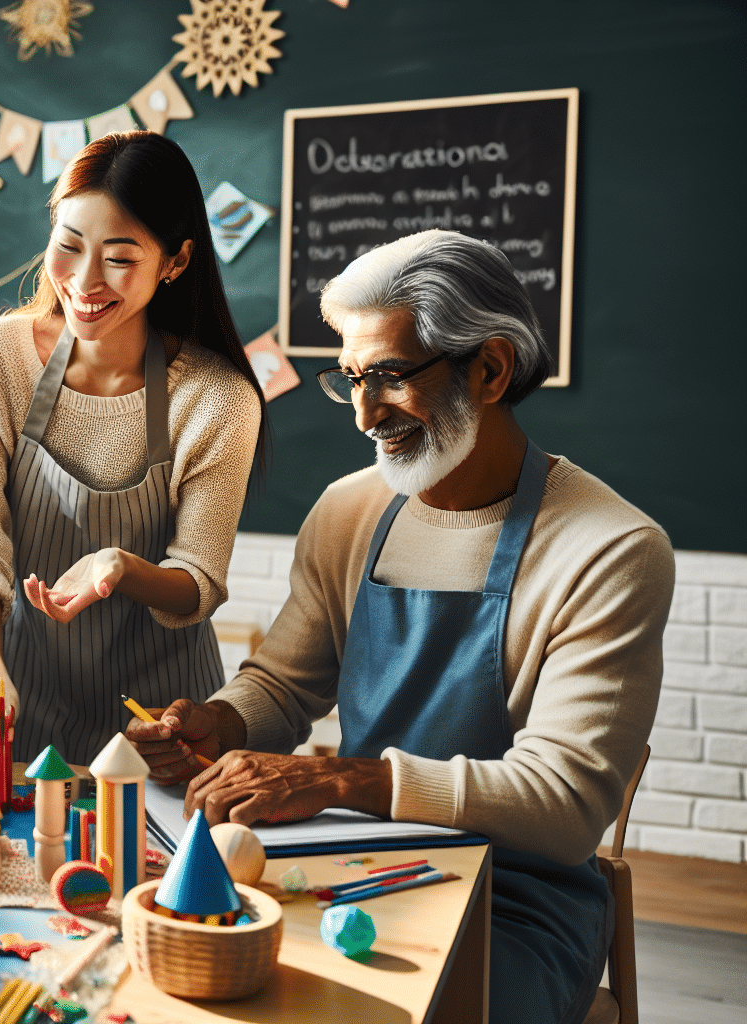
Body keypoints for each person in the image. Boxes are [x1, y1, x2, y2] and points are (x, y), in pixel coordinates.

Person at [134, 230, 672, 1024]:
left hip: (515, 901)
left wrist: (343, 779)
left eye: (386, 376)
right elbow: (286, 683)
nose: (362, 413)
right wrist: (221, 719)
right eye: (350, 377)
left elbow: (563, 806)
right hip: (353, 861)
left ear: (489, 369)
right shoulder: (349, 510)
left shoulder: (611, 549)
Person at [0, 131, 266, 767]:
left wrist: (120, 568)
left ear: (174, 261)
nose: (84, 281)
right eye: (69, 245)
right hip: (22, 703)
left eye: (120, 257)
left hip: (164, 727)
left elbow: (196, 583)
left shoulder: (217, 397)